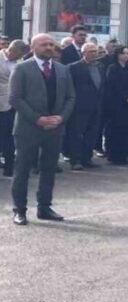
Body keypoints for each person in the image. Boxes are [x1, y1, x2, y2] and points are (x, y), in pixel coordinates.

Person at [10, 34, 76, 225]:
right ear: (33, 47)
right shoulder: (22, 68)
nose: (49, 47)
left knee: (49, 169)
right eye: (44, 44)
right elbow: (16, 98)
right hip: (28, 128)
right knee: (22, 170)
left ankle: (44, 207)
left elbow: (71, 97)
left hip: (55, 128)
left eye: (51, 44)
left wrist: (61, 118)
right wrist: (38, 119)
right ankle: (19, 210)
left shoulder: (62, 69)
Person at [64, 42, 103, 171]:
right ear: (83, 53)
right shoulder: (73, 67)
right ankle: (75, 160)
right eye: (91, 51)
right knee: (76, 134)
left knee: (91, 134)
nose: (94, 54)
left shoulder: (99, 66)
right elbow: (70, 88)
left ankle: (87, 158)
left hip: (96, 106)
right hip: (79, 107)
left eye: (95, 51)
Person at [103, 47, 128, 166]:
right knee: (115, 130)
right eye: (123, 53)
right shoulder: (112, 68)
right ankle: (113, 155)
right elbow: (113, 86)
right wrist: (126, 98)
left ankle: (123, 154)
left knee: (126, 130)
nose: (126, 56)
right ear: (118, 55)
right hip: (116, 104)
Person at [0, 41, 28, 176]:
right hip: (1, 103)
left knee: (10, 136)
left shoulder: (20, 63)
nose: (19, 58)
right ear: (11, 50)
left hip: (13, 105)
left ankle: (9, 167)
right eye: (18, 55)